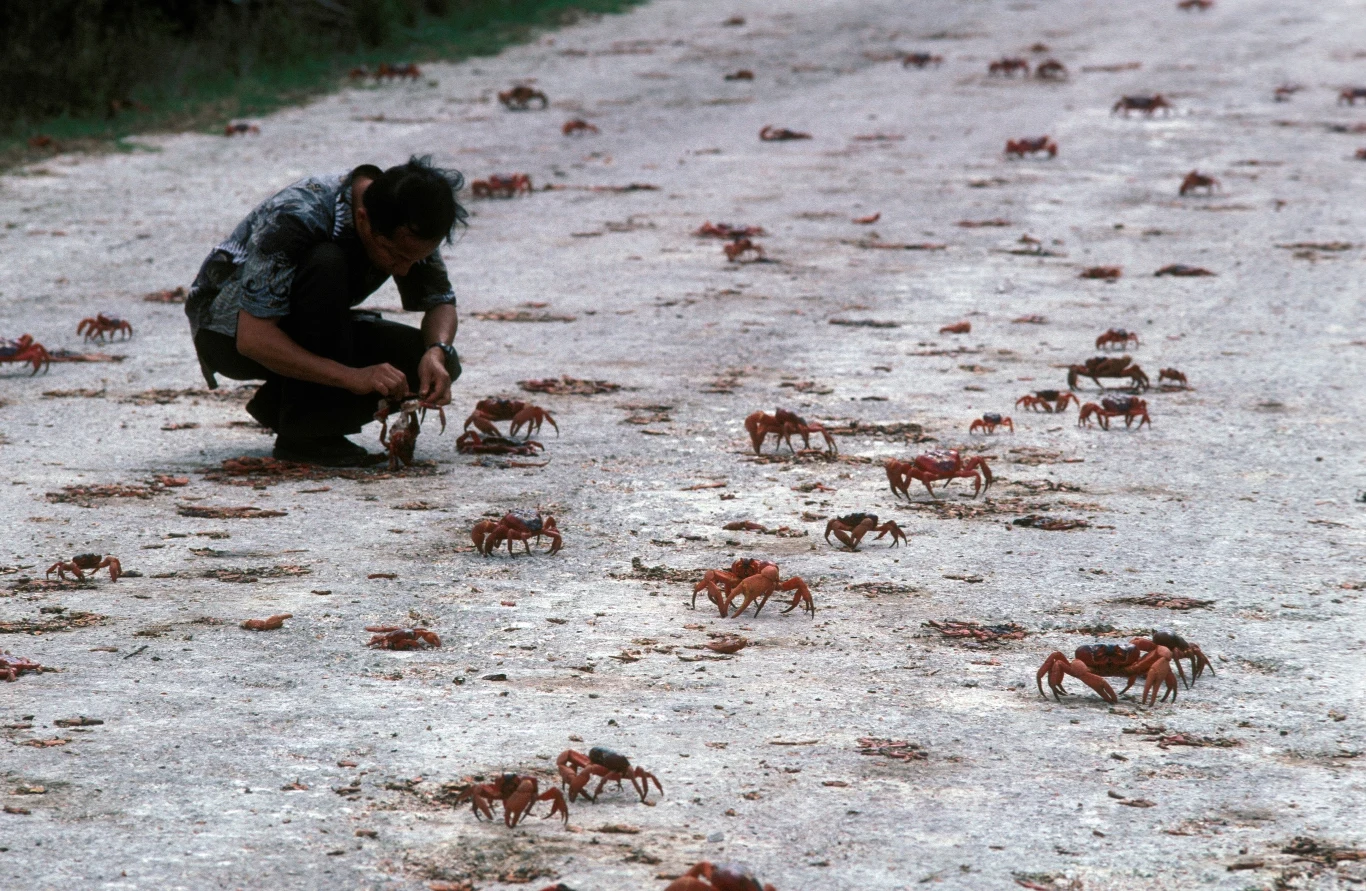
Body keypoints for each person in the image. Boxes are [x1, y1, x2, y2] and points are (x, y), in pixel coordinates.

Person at [185, 156, 466, 466]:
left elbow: (440, 301)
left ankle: (284, 405)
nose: (403, 269)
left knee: (430, 364)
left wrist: (437, 352)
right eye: (395, 255)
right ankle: (307, 434)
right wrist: (351, 377)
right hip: (228, 333)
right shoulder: (298, 216)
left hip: (309, 323)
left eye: (414, 259)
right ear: (363, 218)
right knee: (326, 263)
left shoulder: (407, 216)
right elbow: (252, 339)